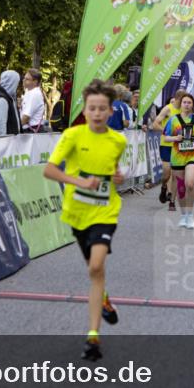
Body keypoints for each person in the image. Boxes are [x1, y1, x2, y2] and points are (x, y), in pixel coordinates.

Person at [43, 79, 126, 362]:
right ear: (86, 110)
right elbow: (50, 170)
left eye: (103, 108)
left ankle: (93, 337)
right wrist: (77, 180)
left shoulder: (118, 140)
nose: (97, 113)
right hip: (77, 212)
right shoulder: (72, 136)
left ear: (111, 111)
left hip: (105, 211)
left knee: (96, 264)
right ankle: (102, 297)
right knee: (95, 275)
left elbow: (113, 170)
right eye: (92, 108)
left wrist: (118, 177)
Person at [163, 92, 194, 229]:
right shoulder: (173, 120)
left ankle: (190, 215)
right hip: (178, 156)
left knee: (190, 183)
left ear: (193, 106)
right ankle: (183, 215)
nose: (186, 105)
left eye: (189, 103)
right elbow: (165, 137)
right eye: (184, 102)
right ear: (181, 104)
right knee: (180, 188)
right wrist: (175, 138)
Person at [152, 90, 185, 212]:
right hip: (166, 144)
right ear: (178, 97)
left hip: (178, 146)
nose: (185, 101)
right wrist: (165, 131)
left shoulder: (184, 110)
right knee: (167, 172)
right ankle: (164, 186)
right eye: (183, 99)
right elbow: (155, 124)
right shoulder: (168, 109)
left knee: (175, 174)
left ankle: (172, 200)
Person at [21, 68, 47, 132]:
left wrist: (15, 128)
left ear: (35, 82)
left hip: (32, 130)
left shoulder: (35, 94)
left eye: (27, 79)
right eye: (24, 78)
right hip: (30, 129)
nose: (23, 80)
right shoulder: (28, 90)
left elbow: (26, 117)